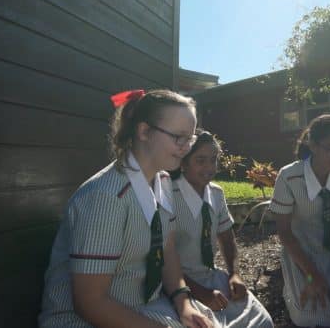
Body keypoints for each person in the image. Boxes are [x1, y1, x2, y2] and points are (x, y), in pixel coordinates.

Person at [39, 89, 217, 328]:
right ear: (144, 131)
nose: (187, 147)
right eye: (179, 137)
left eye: (191, 138)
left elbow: (167, 248)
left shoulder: (163, 181)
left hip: (142, 307)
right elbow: (90, 303)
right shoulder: (105, 197)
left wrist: (183, 303)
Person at [169, 129, 274, 327]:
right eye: (201, 160)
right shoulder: (169, 196)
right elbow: (163, 262)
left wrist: (234, 274)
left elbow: (227, 239)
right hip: (179, 285)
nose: (209, 167)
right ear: (183, 162)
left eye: (213, 159)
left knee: (263, 322)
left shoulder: (216, 193)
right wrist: (201, 293)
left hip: (212, 277)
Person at [270, 114, 330, 327]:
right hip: (301, 251)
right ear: (312, 146)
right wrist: (312, 276)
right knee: (308, 317)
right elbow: (285, 234)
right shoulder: (289, 177)